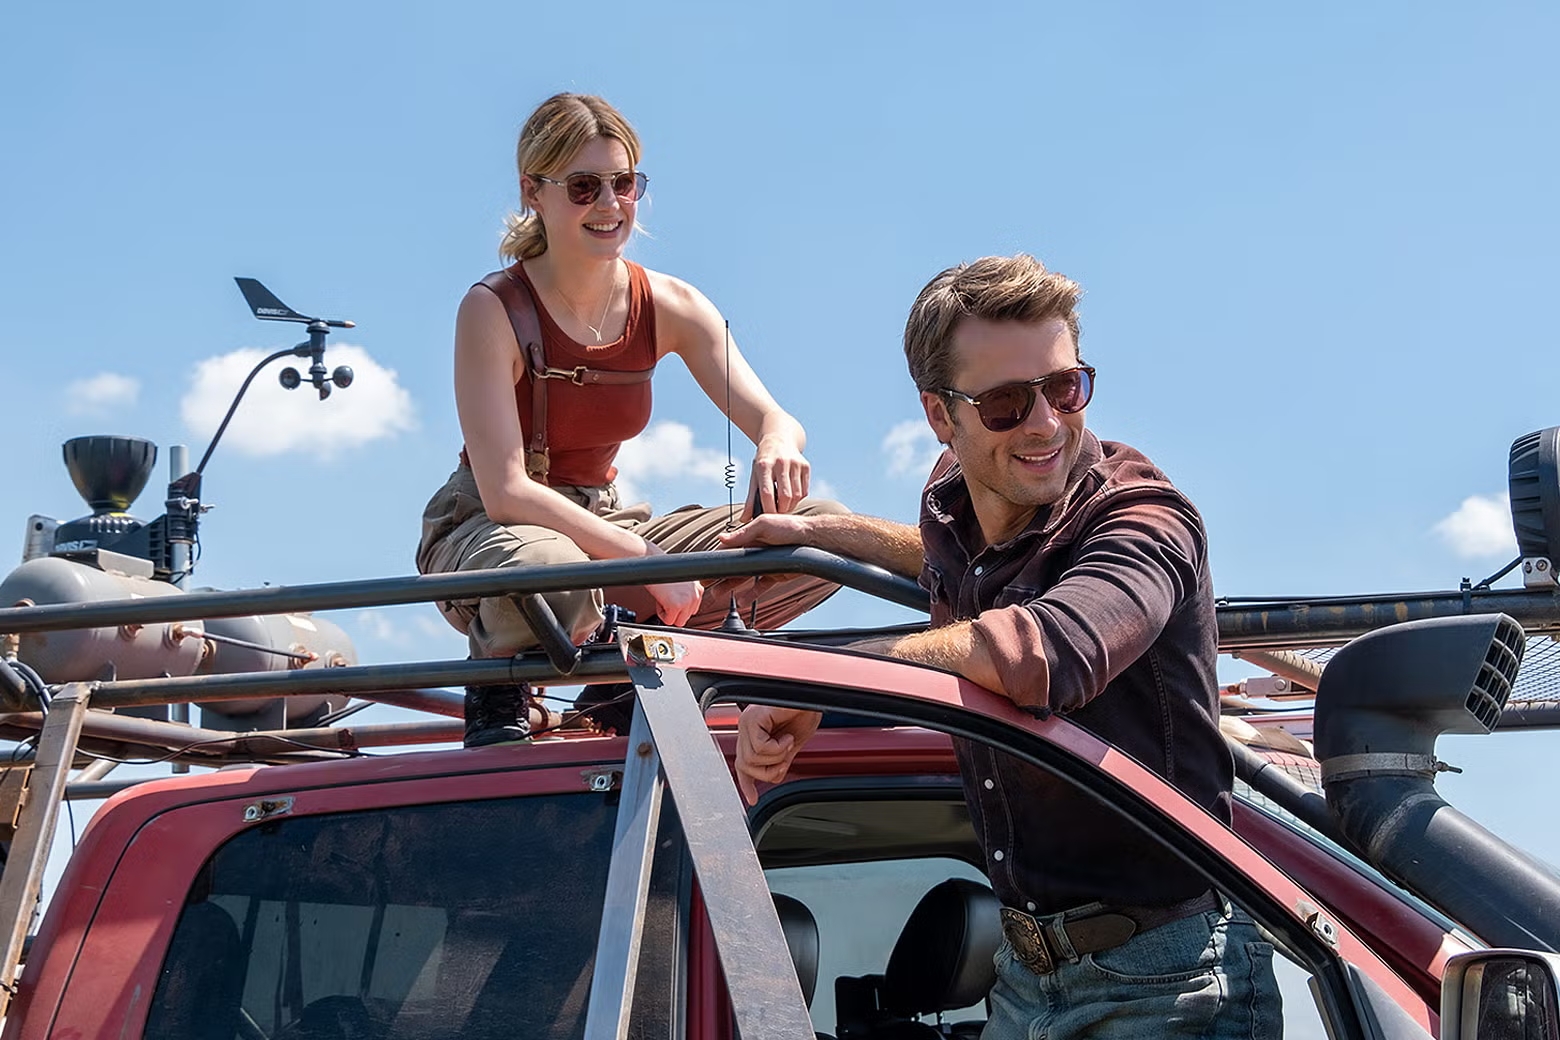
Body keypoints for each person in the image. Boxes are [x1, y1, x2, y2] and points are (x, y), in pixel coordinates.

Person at [724, 255, 1281, 1039]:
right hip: (1023, 980)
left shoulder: (1145, 520)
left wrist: (821, 684)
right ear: (940, 415)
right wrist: (828, 532)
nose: (1046, 424)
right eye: (1007, 404)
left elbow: (1045, 650)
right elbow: (953, 564)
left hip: (1171, 981)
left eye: (1065, 388)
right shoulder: (957, 499)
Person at [417, 93, 842, 747]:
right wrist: (645, 561)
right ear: (534, 191)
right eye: (584, 187)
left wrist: (777, 442)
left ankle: (610, 698)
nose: (610, 205)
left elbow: (773, 416)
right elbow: (507, 492)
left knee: (822, 537)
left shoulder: (670, 303)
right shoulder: (492, 309)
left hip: (608, 519)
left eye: (625, 183)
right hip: (490, 525)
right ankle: (497, 683)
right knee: (553, 569)